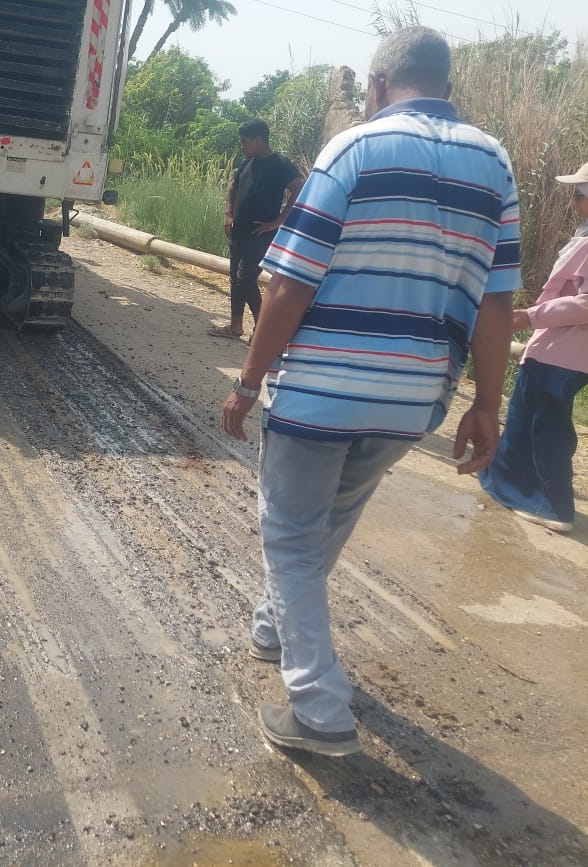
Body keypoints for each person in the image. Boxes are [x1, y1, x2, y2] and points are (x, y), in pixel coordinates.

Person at [220, 27, 519, 756]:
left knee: (291, 536)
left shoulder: (354, 148)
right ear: (445, 85)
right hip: (410, 403)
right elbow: (496, 300)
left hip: (321, 391)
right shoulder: (495, 163)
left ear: (379, 86)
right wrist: (487, 404)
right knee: (326, 525)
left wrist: (248, 382)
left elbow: (290, 285)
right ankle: (273, 627)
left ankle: (319, 707)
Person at [479, 164, 588, 533]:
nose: (573, 203)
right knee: (526, 418)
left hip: (564, 352)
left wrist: (531, 315)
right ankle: (512, 488)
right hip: (556, 348)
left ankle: (551, 506)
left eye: (579, 195)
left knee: (546, 428)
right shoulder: (584, 235)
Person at [210, 119, 303, 340]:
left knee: (246, 278)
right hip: (238, 230)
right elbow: (233, 187)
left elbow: (299, 190)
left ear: (259, 140)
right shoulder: (247, 163)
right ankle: (235, 326)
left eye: (245, 141)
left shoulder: (280, 164)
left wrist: (279, 221)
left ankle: (261, 329)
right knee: (235, 279)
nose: (241, 146)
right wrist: (228, 214)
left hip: (261, 234)